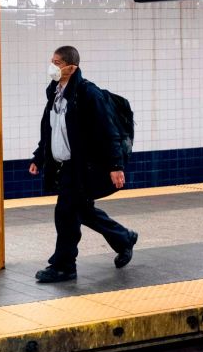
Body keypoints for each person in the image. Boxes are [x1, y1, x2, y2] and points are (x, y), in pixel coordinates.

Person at [29, 46, 137, 282]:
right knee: (81, 211)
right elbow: (51, 128)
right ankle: (124, 238)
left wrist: (116, 166)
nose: (52, 67)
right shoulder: (55, 92)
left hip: (84, 167)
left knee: (66, 213)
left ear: (71, 67)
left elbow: (108, 132)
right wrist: (40, 156)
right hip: (65, 166)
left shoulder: (88, 93)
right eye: (52, 61)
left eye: (57, 63)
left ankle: (64, 266)